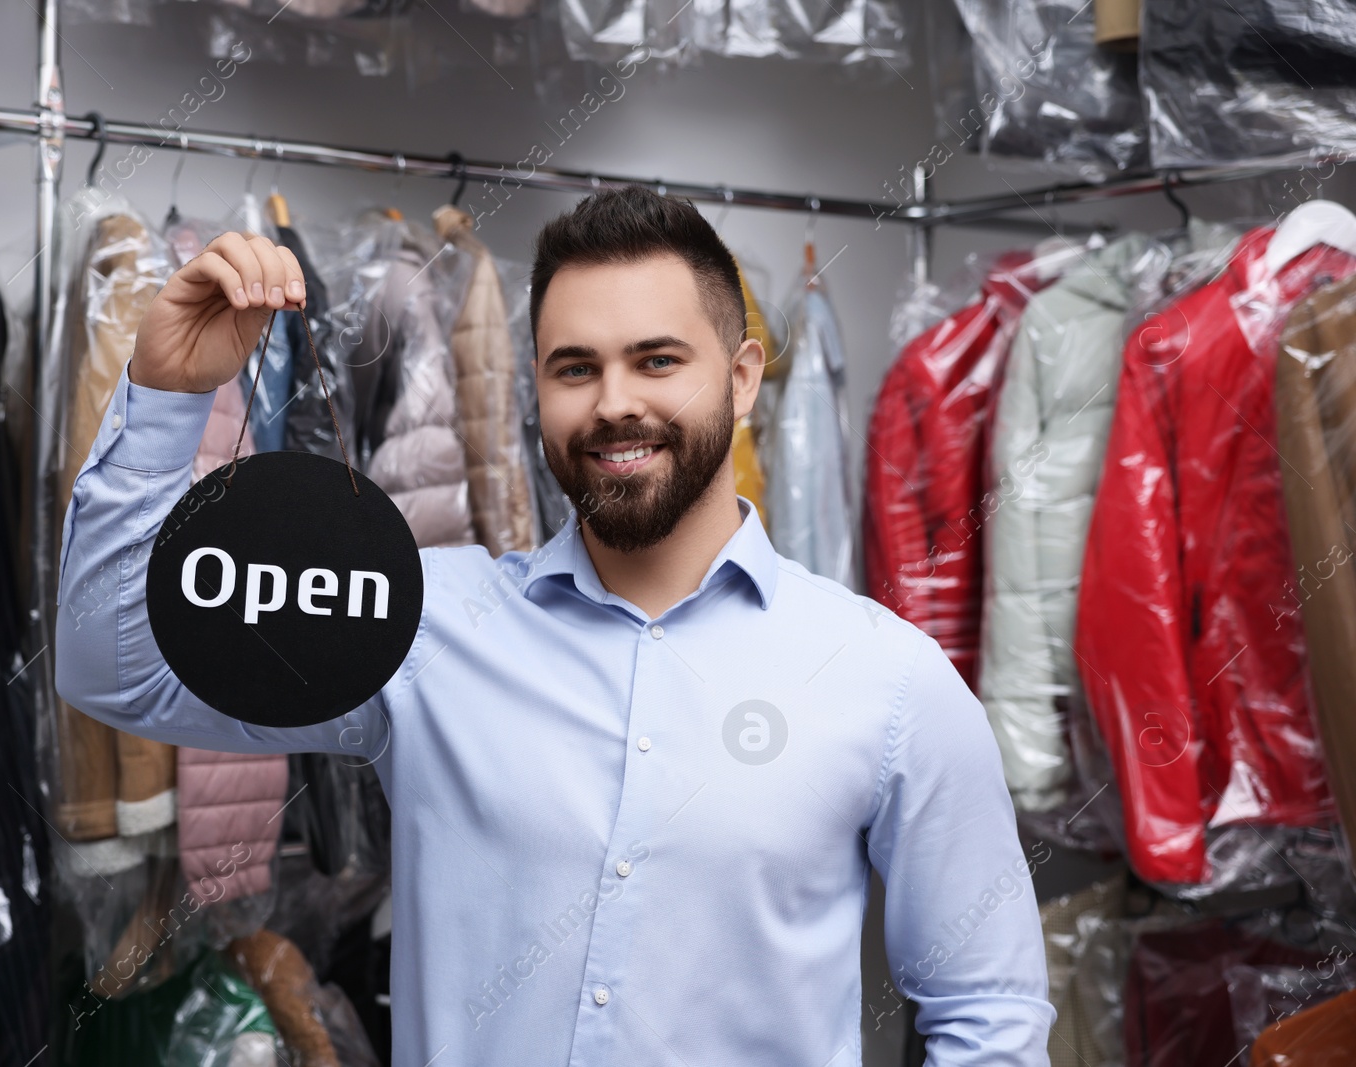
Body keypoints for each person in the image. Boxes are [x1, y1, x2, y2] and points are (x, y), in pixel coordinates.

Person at [55, 185, 1052, 1066]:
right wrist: (164, 398)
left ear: (743, 377)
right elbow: (116, 673)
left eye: (657, 359)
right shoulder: (423, 622)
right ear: (536, 386)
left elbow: (987, 1008)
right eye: (575, 368)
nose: (615, 403)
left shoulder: (887, 679)